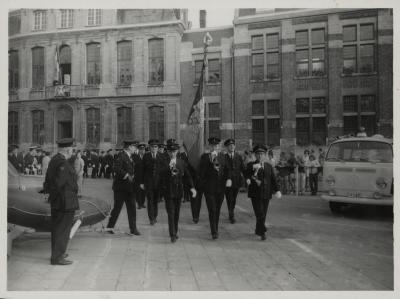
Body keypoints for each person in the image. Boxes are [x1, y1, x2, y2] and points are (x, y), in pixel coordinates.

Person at [43, 138, 79, 265]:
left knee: (58, 228)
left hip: (59, 201)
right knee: (62, 229)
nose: (72, 152)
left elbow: (48, 179)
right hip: (64, 201)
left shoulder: (54, 160)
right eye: (72, 149)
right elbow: (59, 183)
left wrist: (49, 193)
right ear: (67, 149)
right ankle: (57, 257)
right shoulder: (62, 162)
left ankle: (57, 253)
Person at [160, 139, 196, 242]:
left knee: (176, 214)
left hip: (179, 191)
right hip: (168, 191)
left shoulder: (181, 162)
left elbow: (188, 176)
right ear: (167, 152)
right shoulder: (164, 162)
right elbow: (160, 173)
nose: (172, 153)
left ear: (177, 152)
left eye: (174, 151)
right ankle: (172, 234)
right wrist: (168, 168)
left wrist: (192, 187)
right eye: (170, 151)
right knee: (171, 213)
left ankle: (175, 230)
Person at [245, 144, 281, 241]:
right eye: (258, 154)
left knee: (263, 214)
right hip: (255, 194)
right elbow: (247, 174)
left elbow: (273, 179)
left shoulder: (268, 166)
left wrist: (277, 190)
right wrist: (248, 179)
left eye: (262, 154)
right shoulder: (250, 165)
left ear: (265, 155)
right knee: (259, 213)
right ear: (255, 155)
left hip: (266, 193)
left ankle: (258, 230)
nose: (260, 156)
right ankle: (263, 231)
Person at [106, 140, 141, 235]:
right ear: (129, 147)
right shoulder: (121, 156)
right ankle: (109, 227)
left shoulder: (130, 157)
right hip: (120, 189)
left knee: (132, 208)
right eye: (134, 147)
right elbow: (116, 168)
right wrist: (126, 175)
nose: (135, 148)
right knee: (117, 208)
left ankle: (133, 229)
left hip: (129, 188)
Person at [198, 137, 227, 239]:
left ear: (219, 146)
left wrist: (228, 180)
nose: (214, 147)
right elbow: (201, 173)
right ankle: (214, 231)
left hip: (220, 188)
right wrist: (211, 164)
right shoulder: (204, 157)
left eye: (216, 145)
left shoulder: (223, 156)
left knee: (217, 210)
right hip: (209, 188)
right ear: (209, 146)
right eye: (212, 145)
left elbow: (226, 171)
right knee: (212, 209)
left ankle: (216, 228)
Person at [140, 139, 167, 225]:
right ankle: (151, 218)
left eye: (156, 147)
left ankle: (155, 216)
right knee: (150, 200)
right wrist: (142, 183)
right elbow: (142, 170)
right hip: (149, 183)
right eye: (152, 147)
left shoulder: (162, 156)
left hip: (158, 183)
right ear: (150, 147)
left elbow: (164, 170)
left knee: (156, 200)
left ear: (158, 148)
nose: (154, 148)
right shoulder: (146, 156)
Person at [223, 139, 245, 224]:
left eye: (233, 145)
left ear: (235, 147)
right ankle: (231, 214)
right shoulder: (223, 157)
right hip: (227, 182)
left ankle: (231, 211)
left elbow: (243, 168)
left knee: (234, 198)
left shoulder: (238, 156)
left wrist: (247, 176)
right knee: (229, 198)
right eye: (229, 145)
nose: (232, 147)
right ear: (227, 147)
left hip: (236, 181)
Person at [134, 143, 146, 209]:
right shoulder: (135, 157)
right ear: (139, 150)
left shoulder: (147, 157)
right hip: (137, 177)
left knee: (143, 191)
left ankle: (143, 203)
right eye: (141, 149)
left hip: (144, 177)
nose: (142, 151)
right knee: (138, 191)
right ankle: (139, 204)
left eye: (143, 149)